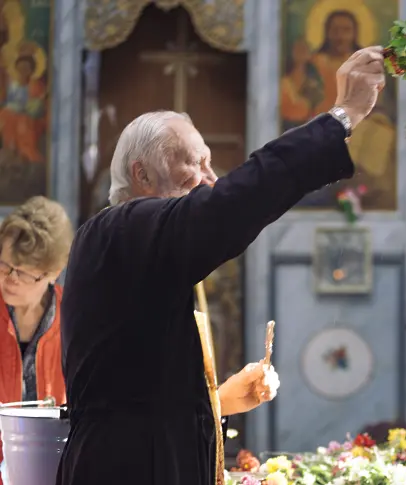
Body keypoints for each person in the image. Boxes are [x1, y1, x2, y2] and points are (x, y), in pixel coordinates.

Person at [56, 46, 386, 485]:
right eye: (196, 165)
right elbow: (233, 201)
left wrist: (219, 400)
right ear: (143, 176)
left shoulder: (141, 244)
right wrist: (341, 115)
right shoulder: (125, 228)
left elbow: (139, 387)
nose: (212, 179)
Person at [0, 196, 74, 485]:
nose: (9, 278)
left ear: (52, 273)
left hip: (56, 471)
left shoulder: (74, 318)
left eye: (22, 271)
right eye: (4, 265)